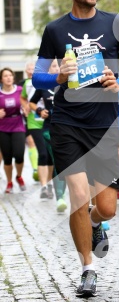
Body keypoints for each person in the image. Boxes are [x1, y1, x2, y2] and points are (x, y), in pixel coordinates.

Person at [32, 0, 119, 298]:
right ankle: (88, 269)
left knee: (106, 207)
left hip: (105, 124)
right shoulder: (54, 30)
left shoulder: (115, 23)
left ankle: (96, 224)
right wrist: (59, 77)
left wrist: (118, 81)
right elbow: (38, 76)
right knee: (79, 195)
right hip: (67, 122)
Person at [29, 60, 68, 213]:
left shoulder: (70, 83)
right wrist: (39, 111)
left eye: (58, 65)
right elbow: (31, 103)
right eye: (53, 66)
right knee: (58, 159)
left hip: (68, 129)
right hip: (49, 129)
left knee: (65, 162)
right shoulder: (44, 86)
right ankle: (60, 197)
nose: (56, 68)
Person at [21, 62, 53, 200]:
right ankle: (44, 186)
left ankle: (50, 183)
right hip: (35, 123)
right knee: (43, 153)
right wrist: (29, 108)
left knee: (51, 155)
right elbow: (25, 99)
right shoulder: (27, 83)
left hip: (51, 123)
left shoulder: (55, 84)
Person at [0, 67, 27, 193]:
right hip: (3, 127)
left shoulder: (20, 91)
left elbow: (27, 104)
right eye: (5, 76)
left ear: (13, 77)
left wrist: (26, 109)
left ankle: (19, 176)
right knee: (7, 158)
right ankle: (9, 182)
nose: (8, 78)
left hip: (18, 125)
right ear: (1, 79)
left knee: (19, 154)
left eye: (10, 75)